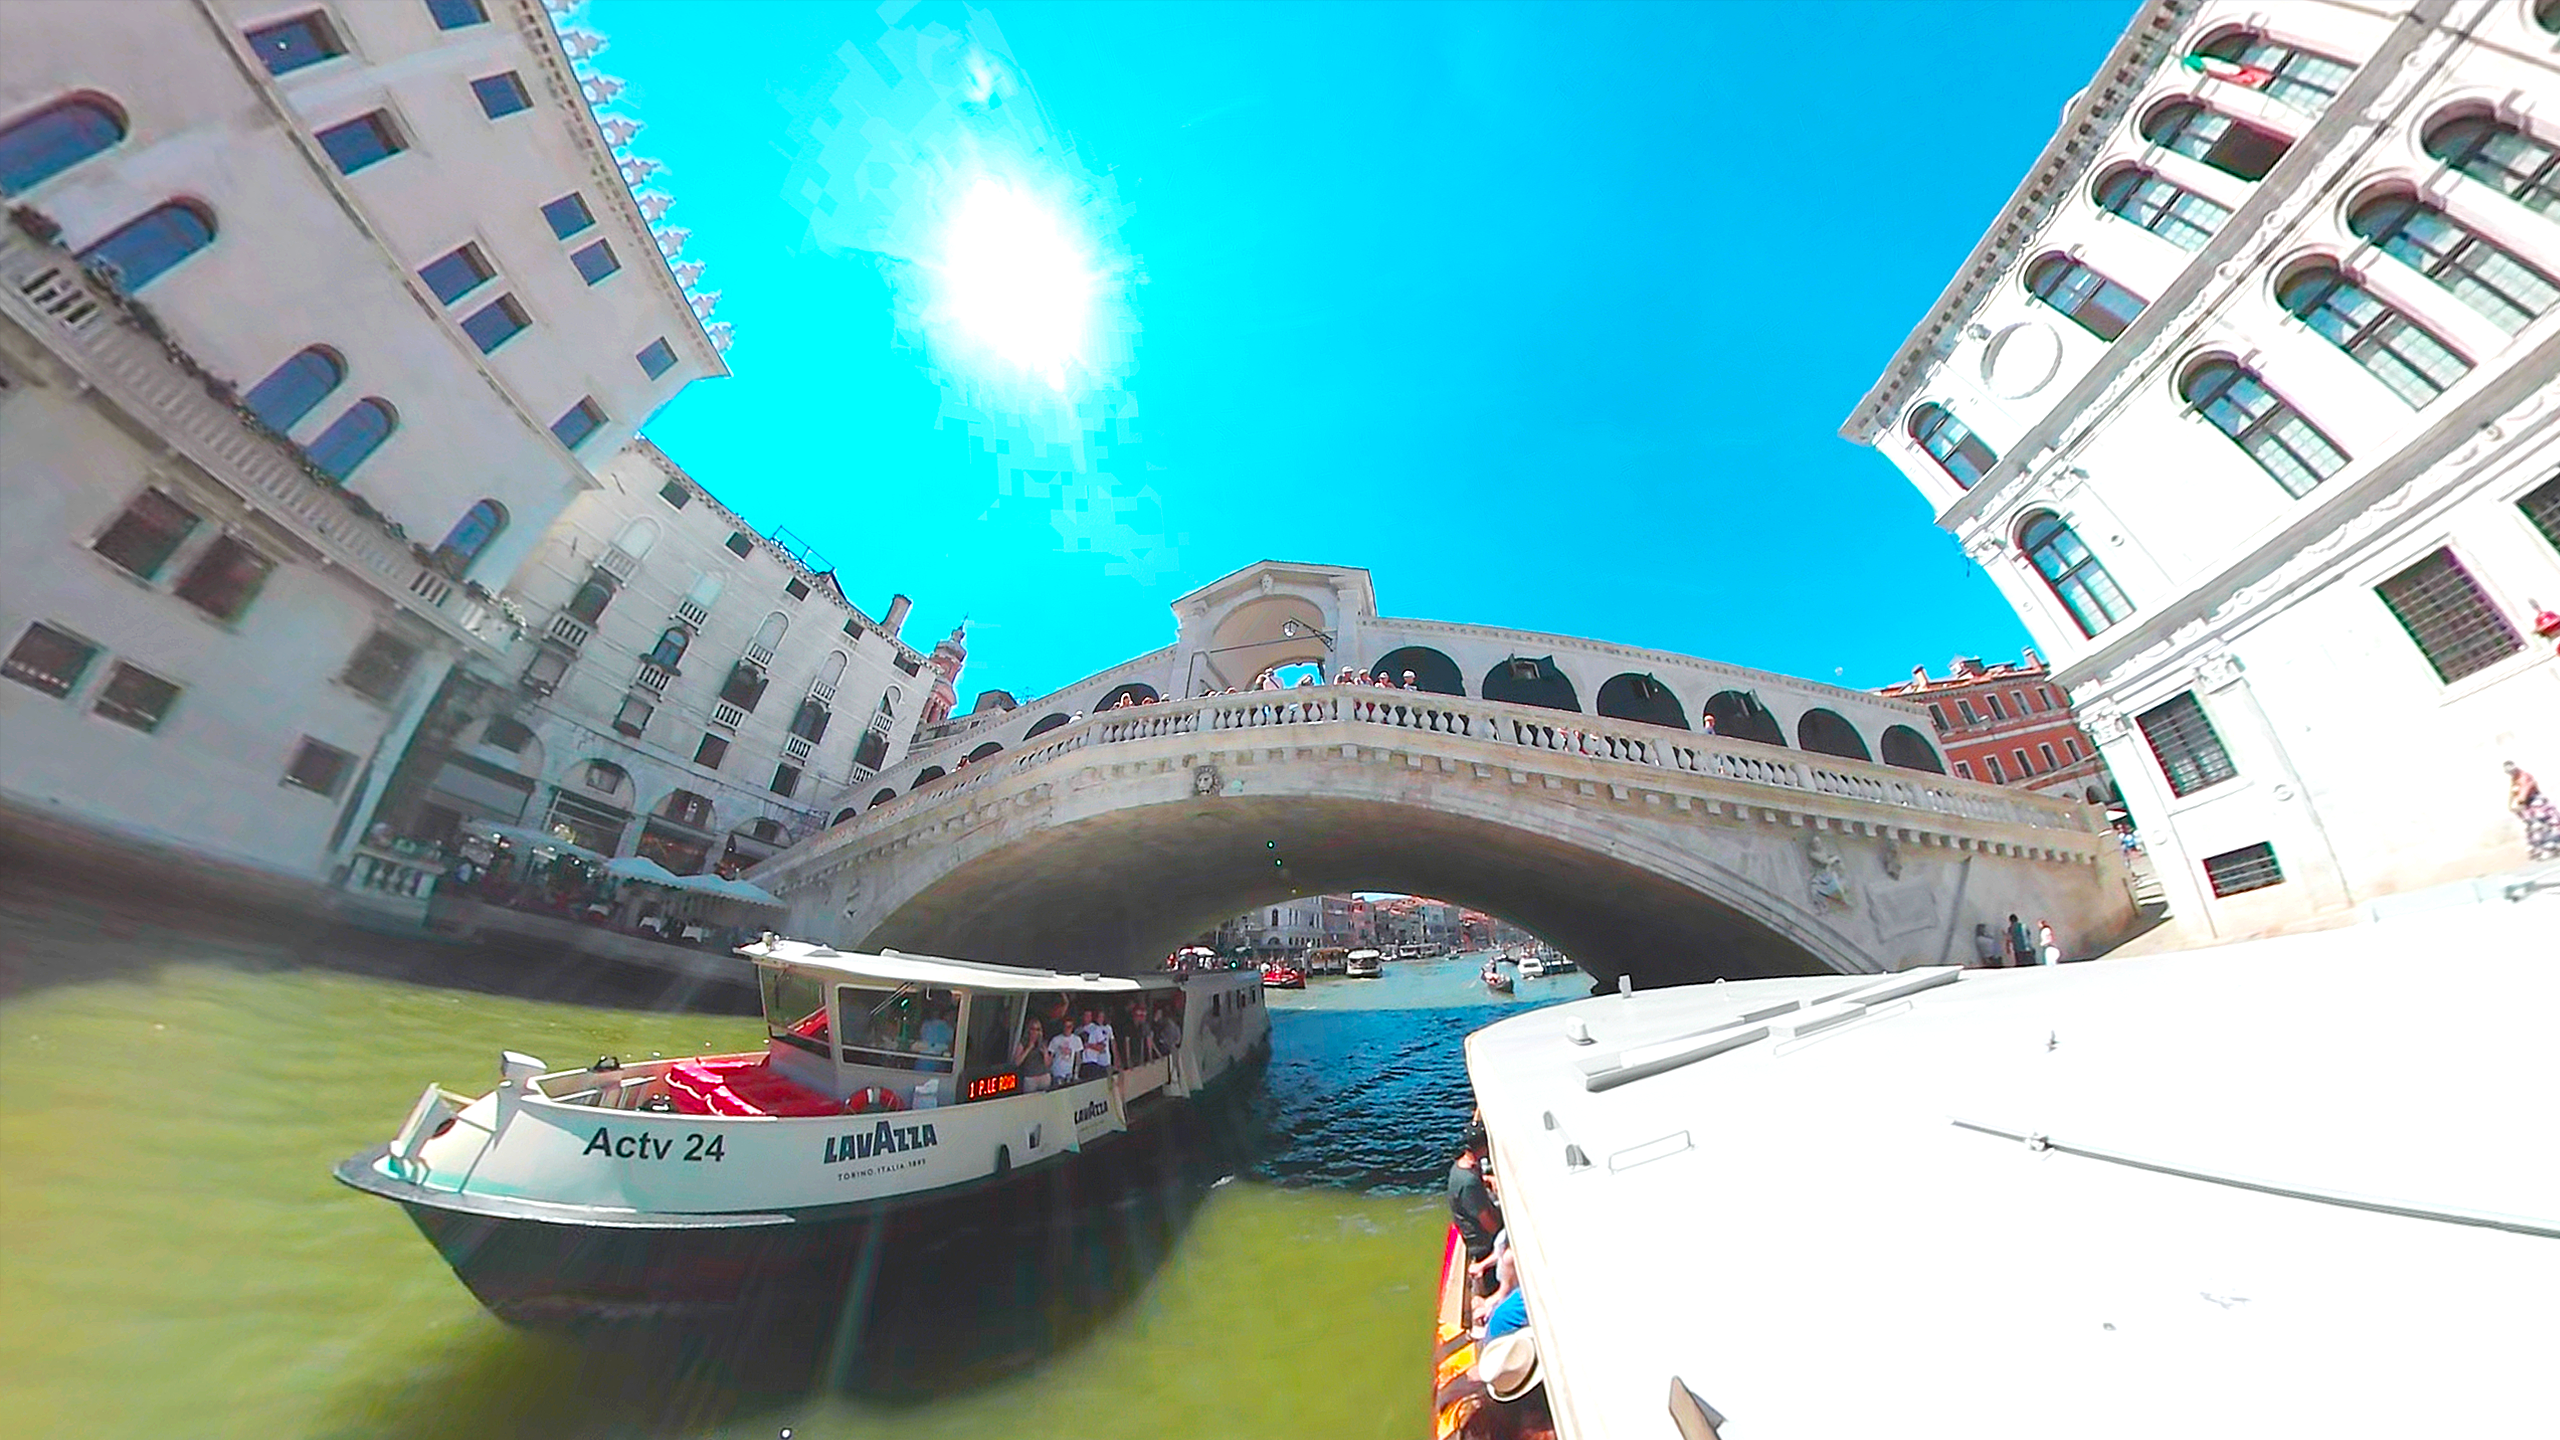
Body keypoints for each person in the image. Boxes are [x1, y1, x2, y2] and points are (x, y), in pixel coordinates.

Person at [1449, 1118, 1505, 1291]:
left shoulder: (1461, 1167)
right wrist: (1505, 1229)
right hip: (1481, 1243)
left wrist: (1487, 1180)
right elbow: (1489, 1224)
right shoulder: (1469, 1183)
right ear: (1482, 1147)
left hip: (1480, 1223)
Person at [2508, 760, 2560, 861]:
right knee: (2531, 826)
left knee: (2541, 824)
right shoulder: (2514, 779)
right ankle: (2537, 850)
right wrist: (2511, 805)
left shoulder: (2524, 776)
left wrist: (2519, 801)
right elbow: (2513, 793)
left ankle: (2550, 848)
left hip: (2536, 803)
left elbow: (2525, 790)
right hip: (2528, 806)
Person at [1078, 1007, 1114, 1081]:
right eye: (1086, 1016)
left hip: (1092, 1061)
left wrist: (1090, 1046)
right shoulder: (1078, 1030)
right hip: (1081, 1063)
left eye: (1089, 1016)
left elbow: (1102, 1046)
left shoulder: (1096, 1029)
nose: (1087, 1018)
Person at [1045, 1017, 1082, 1088]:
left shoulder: (1077, 1040)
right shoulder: (1056, 1039)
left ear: (1072, 1027)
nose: (1067, 1029)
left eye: (1069, 1026)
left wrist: (1076, 1074)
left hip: (1069, 1074)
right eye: (1065, 1026)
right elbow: (1050, 1057)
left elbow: (1078, 1058)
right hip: (1057, 1073)